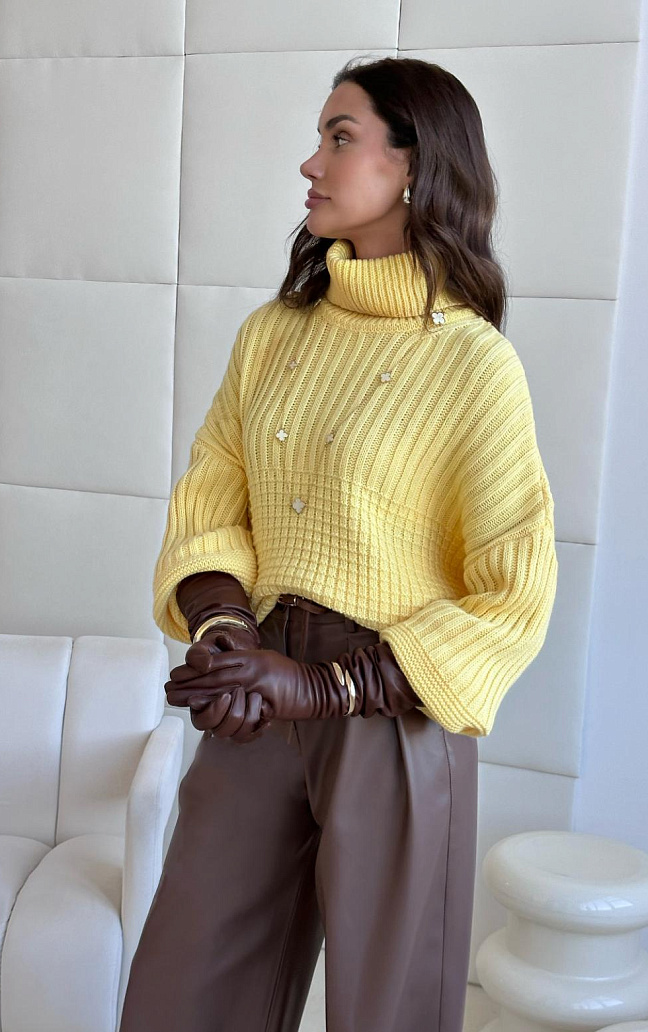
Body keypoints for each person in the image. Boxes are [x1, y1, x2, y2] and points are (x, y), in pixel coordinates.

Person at [118, 56, 558, 1032]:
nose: (310, 162)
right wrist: (224, 631)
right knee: (184, 991)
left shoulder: (474, 364)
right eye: (321, 136)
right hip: (258, 685)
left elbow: (512, 597)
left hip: (394, 710)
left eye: (340, 137)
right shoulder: (273, 334)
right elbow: (211, 499)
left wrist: (326, 688)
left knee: (386, 1011)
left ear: (413, 165)